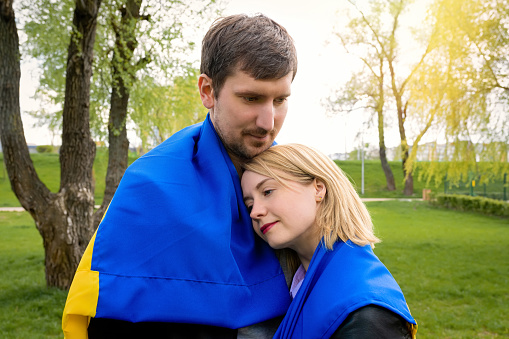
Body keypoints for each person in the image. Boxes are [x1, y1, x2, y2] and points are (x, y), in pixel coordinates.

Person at [62, 14, 297, 338]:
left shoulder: (296, 181)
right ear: (207, 91)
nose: (268, 121)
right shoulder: (150, 186)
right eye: (251, 98)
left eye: (280, 100)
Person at [241, 143, 418, 339]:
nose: (255, 212)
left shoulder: (364, 313)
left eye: (267, 192)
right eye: (249, 205)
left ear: (318, 189)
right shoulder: (297, 286)